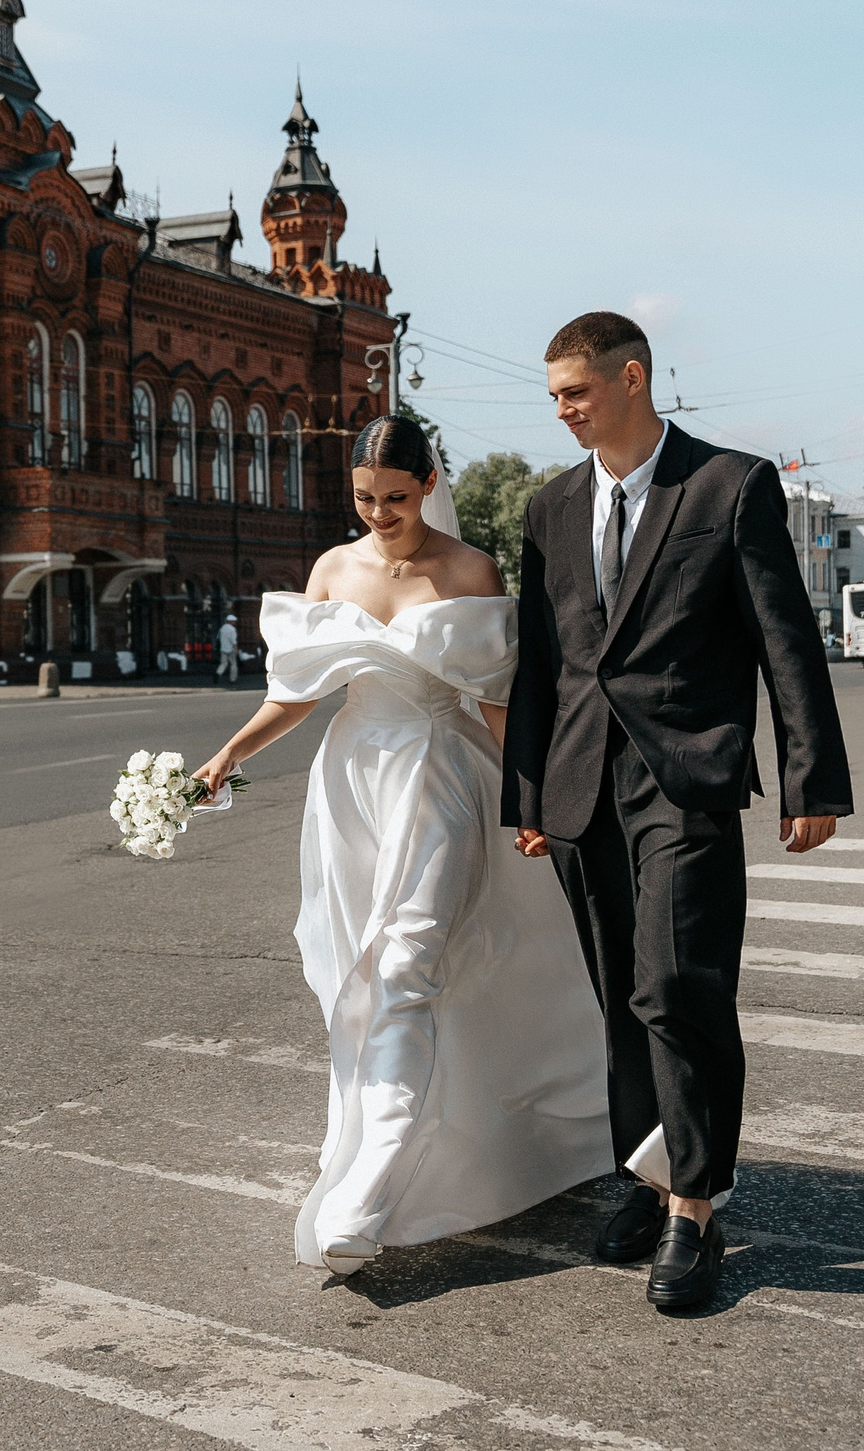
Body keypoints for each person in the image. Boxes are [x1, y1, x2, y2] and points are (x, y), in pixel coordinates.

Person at [193, 414, 611, 1277]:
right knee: (358, 966)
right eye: (363, 498)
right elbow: (299, 694)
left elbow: (496, 704)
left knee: (405, 965)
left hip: (441, 777)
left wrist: (533, 801)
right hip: (351, 786)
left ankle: (364, 1195)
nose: (380, 513)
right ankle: (402, 1140)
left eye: (395, 497)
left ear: (428, 485)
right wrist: (229, 755)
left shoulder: (469, 571)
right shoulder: (331, 569)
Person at [505, 310, 852, 1313]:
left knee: (678, 985)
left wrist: (810, 779)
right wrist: (528, 793)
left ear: (632, 378)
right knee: (618, 994)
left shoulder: (728, 485)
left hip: (685, 776)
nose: (563, 411)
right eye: (554, 397)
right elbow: (544, 659)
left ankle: (696, 1206)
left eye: (576, 391)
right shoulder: (550, 507)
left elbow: (784, 638)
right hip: (580, 783)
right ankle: (647, 1176)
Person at [214, 612, 240, 685]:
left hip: (223, 648)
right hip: (231, 649)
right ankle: (233, 679)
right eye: (234, 621)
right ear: (231, 621)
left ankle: (218, 673)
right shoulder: (232, 629)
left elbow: (218, 638)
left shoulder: (222, 628)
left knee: (223, 663)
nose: (234, 623)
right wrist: (236, 649)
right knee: (233, 664)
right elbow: (233, 640)